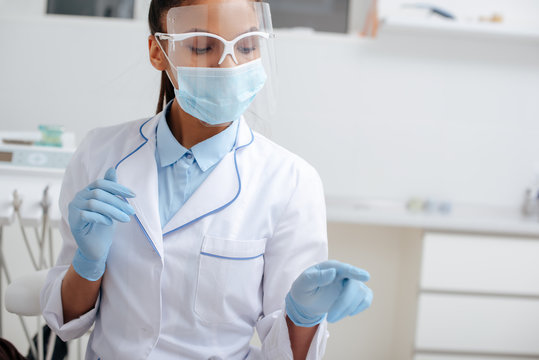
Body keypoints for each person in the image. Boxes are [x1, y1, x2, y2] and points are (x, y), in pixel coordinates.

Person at [40, 0, 373, 359]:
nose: (228, 65)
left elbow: (284, 354)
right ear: (158, 52)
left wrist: (303, 315)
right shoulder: (99, 153)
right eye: (202, 46)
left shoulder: (291, 182)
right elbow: (67, 323)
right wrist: (87, 264)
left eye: (246, 46)